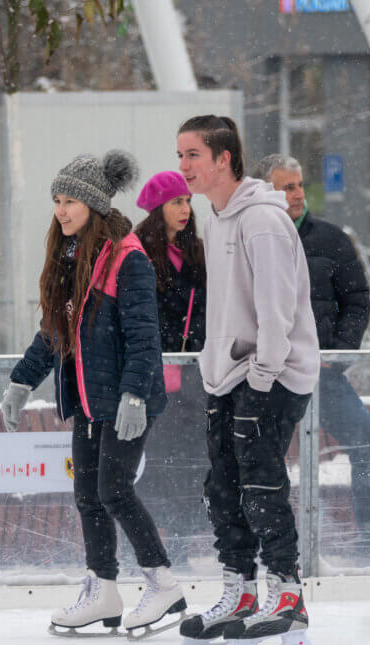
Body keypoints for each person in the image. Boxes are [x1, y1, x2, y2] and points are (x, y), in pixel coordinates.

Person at [0, 150, 186, 639]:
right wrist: (22, 380)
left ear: (94, 204)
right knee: (88, 495)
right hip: (87, 399)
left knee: (114, 490)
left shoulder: (127, 258)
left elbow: (146, 337)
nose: (61, 210)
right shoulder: (70, 256)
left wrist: (134, 397)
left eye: (71, 201)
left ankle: (163, 583)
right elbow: (52, 332)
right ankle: (103, 589)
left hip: (125, 399)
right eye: (57, 200)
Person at [173, 116, 319, 645]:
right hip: (227, 374)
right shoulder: (216, 220)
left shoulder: (261, 220)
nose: (183, 165)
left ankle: (288, 600)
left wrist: (261, 380)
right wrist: (217, 371)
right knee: (223, 487)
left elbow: (276, 311)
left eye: (192, 155)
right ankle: (239, 594)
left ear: (224, 159)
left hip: (271, 374)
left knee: (261, 485)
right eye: (180, 154)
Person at [252, 154, 370, 547]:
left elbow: (357, 300)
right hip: (268, 376)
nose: (296, 194)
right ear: (267, 192)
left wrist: (339, 354)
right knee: (259, 455)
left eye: (298, 185)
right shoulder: (252, 236)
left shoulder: (330, 238)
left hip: (320, 373)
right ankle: (268, 544)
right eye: (286, 187)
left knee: (366, 440)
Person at [132, 171, 209, 549]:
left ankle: (180, 535)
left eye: (188, 201)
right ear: (157, 207)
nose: (185, 208)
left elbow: (206, 309)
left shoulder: (196, 250)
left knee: (191, 460)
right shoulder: (136, 252)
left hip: (193, 375)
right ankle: (149, 541)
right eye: (176, 201)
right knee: (153, 463)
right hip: (152, 376)